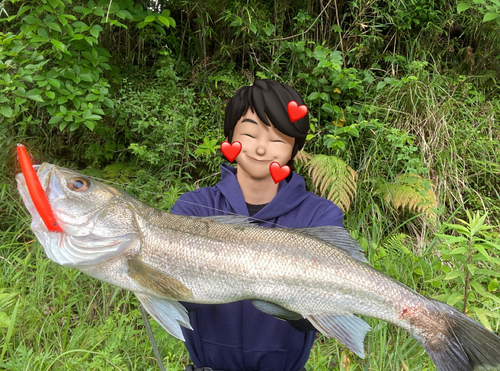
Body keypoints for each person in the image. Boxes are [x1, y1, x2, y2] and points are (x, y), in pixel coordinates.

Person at [170, 79, 344, 371]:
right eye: (250, 134)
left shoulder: (320, 216)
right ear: (230, 137)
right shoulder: (192, 210)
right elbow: (175, 296)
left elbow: (323, 310)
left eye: (278, 140)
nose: (262, 149)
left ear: (294, 149)